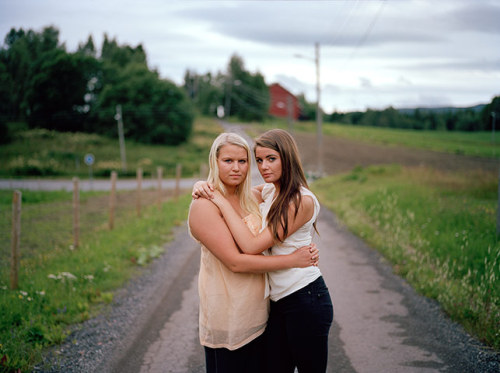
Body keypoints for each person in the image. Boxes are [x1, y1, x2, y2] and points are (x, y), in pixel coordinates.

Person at [194, 129, 333, 373]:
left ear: (287, 158)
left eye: (271, 158)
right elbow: (235, 193)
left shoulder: (300, 201)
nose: (263, 166)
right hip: (276, 302)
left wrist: (219, 200)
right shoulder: (268, 192)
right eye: (259, 160)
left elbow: (250, 246)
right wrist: (204, 186)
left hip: (305, 296)